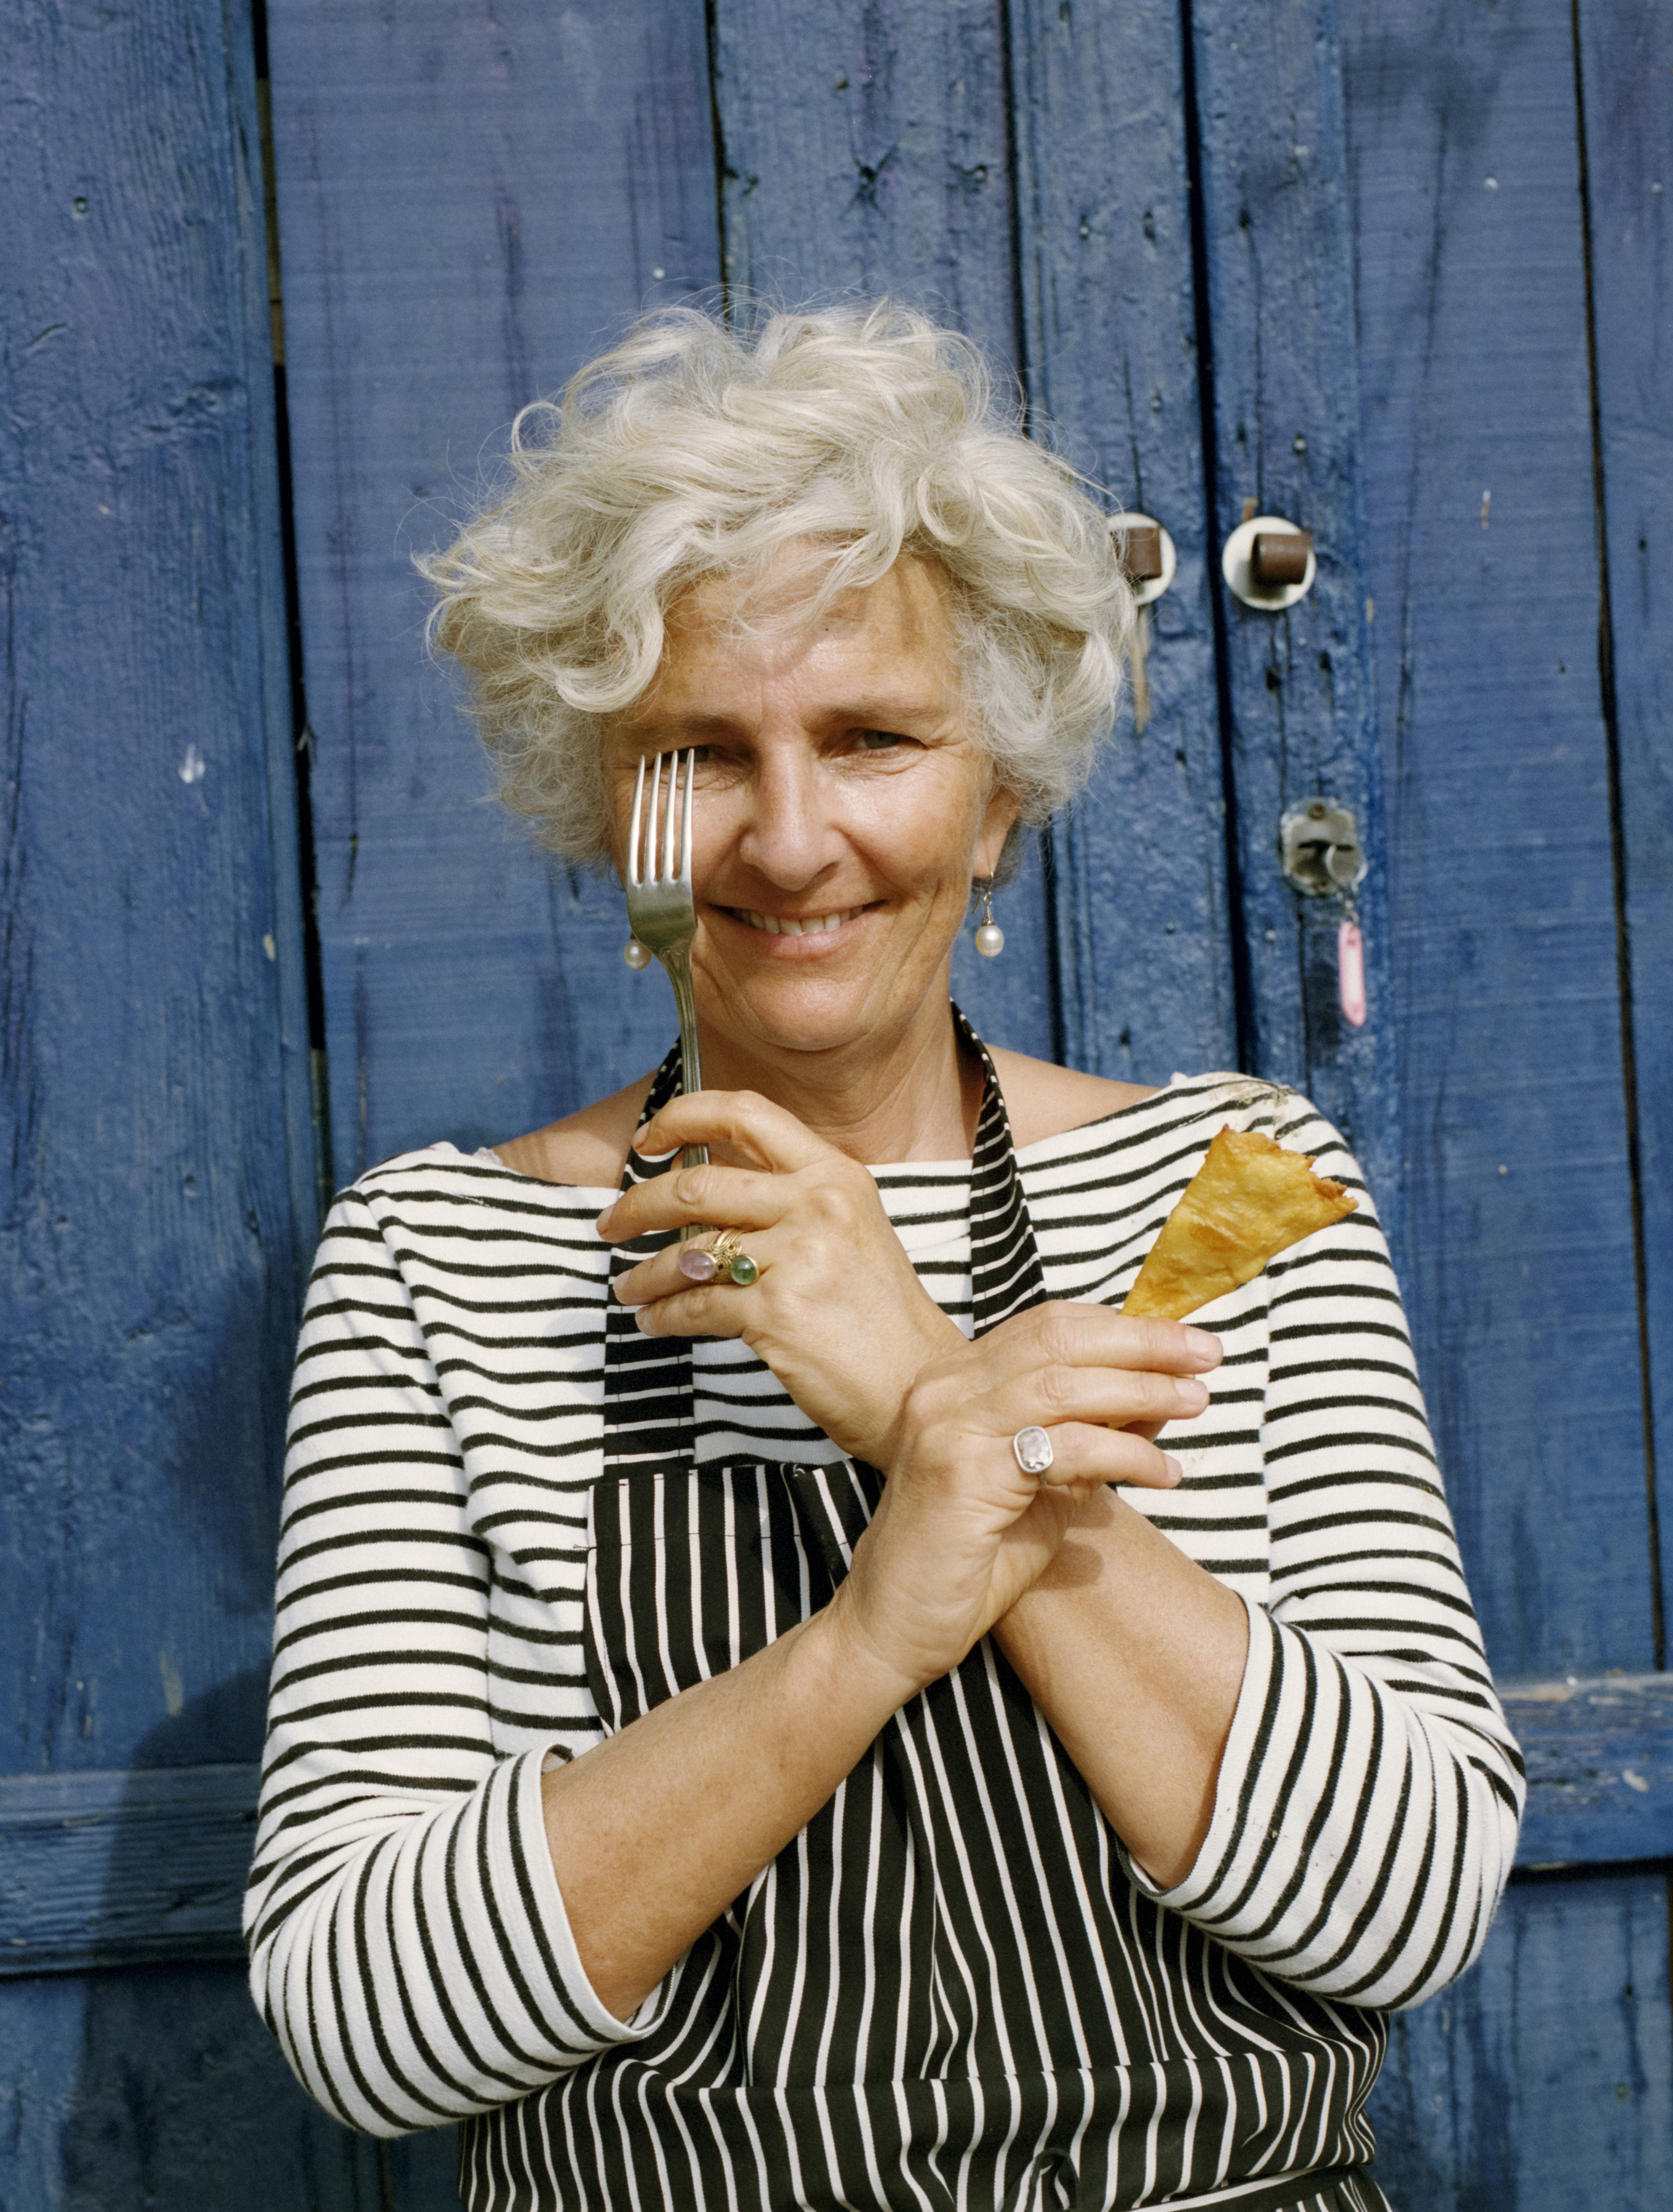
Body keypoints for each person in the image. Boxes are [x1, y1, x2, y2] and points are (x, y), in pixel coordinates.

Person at [246, 302, 1522, 2212]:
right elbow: (366, 2027)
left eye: (872, 740)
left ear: (997, 789)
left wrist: (929, 1391)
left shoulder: (1236, 1192)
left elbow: (1404, 1907)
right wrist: (868, 1628)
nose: (787, 836)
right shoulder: (444, 1256)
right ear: (615, 819)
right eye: (698, 753)